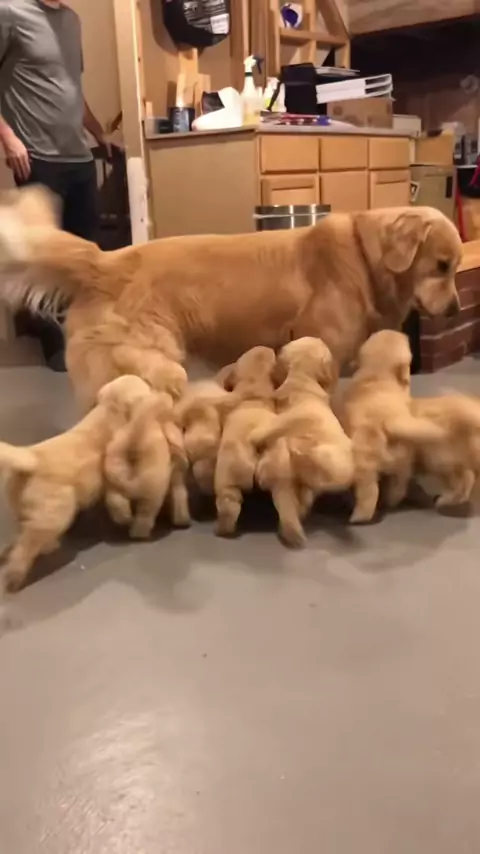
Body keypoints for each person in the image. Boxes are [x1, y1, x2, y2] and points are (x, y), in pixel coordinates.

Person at [0, 0, 109, 370]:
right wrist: (9, 139)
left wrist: (97, 132)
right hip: (36, 156)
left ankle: (85, 335)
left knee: (85, 251)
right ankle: (54, 344)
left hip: (78, 156)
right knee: (47, 256)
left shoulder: (71, 21)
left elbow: (71, 87)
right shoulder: (10, 12)